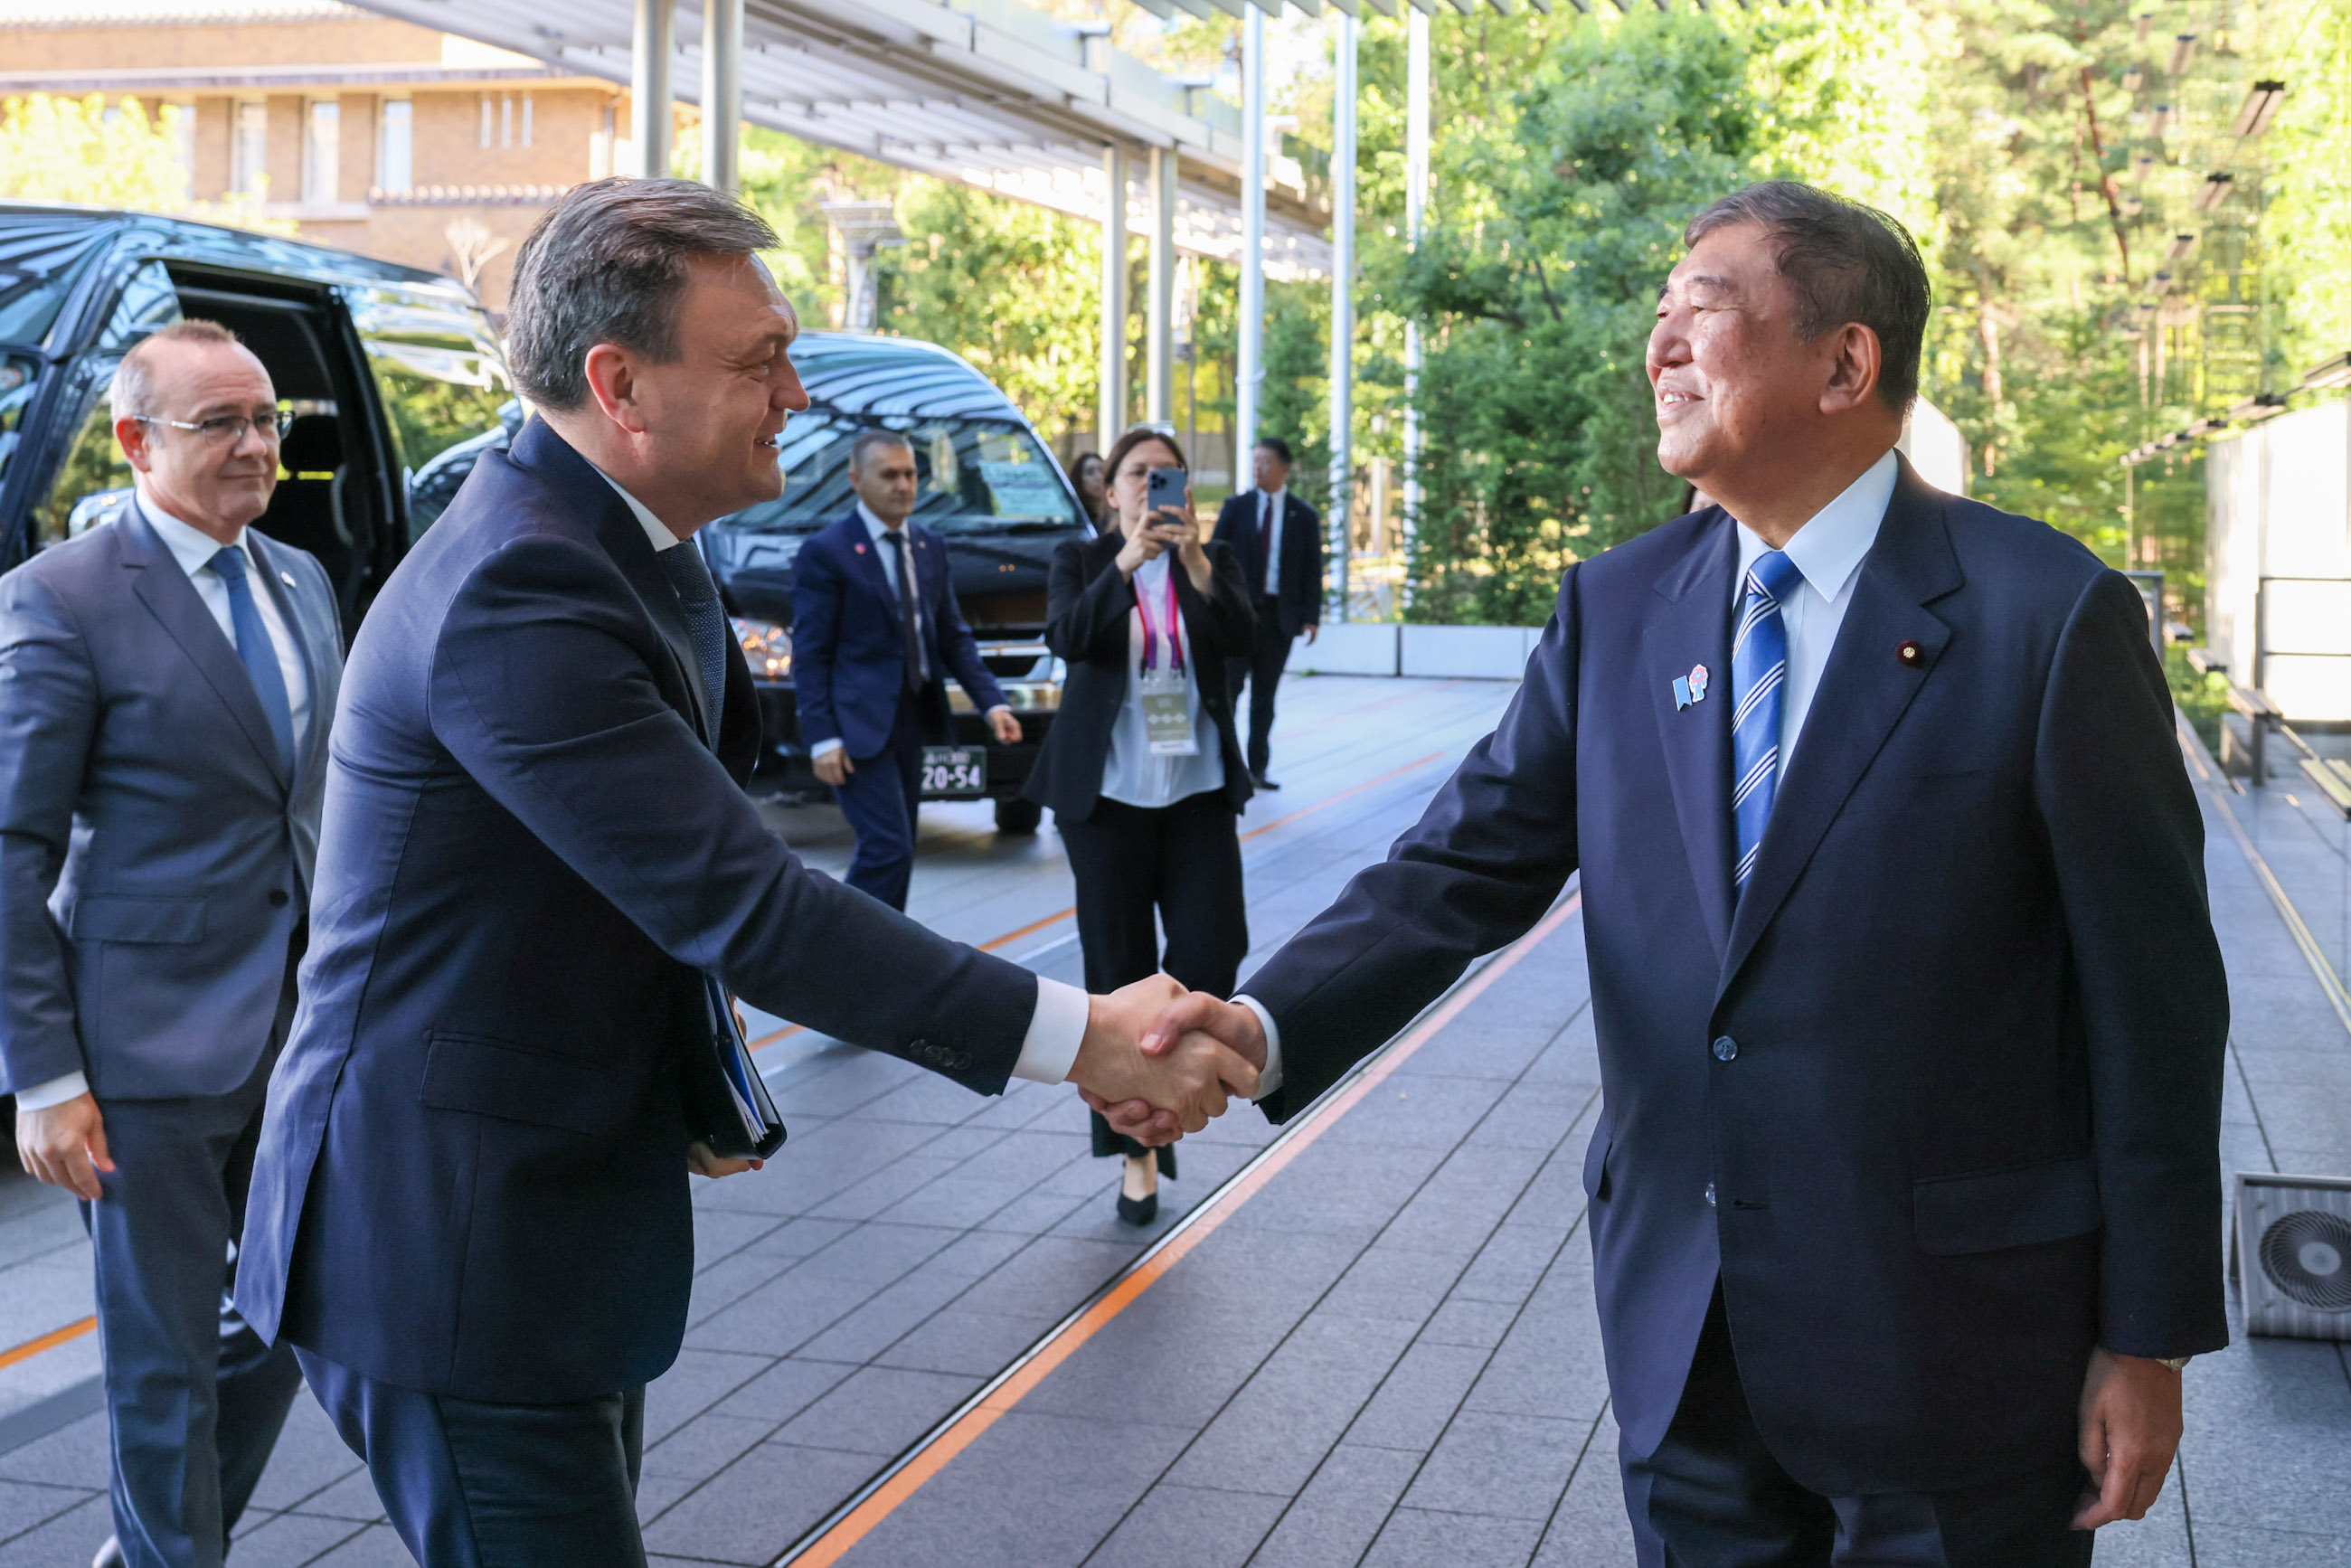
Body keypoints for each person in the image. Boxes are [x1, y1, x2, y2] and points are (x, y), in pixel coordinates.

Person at [1117, 182, 2228, 1567]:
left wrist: (2148, 1332)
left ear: (1846, 362)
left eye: (1704, 306)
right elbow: (1459, 865)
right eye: (1659, 313)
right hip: (1691, 1335)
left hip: (1964, 1350)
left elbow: (2155, 1002)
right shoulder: (1619, 606)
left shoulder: (2047, 614)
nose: (1660, 346)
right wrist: (1262, 1023)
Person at [230, 178, 1255, 1568]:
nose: (797, 395)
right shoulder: (520, 588)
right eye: (759, 361)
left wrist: (689, 1077)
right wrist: (1085, 1038)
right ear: (620, 386)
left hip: (540, 1220)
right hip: (449, 1243)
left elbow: (642, 873)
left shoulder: (631, 547)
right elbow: (744, 901)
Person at [0, 320, 344, 1568]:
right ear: (137, 441)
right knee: (160, 1363)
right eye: (223, 424)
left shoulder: (301, 580)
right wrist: (44, 1077)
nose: (257, 445)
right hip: (140, 1057)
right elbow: (10, 848)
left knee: (306, 1310)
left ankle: (158, 1546)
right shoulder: (62, 597)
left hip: (300, 1034)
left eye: (267, 420)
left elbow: (316, 806)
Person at [1024, 427, 1254, 1224]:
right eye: (1137, 474)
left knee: (1214, 950)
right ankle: (1137, 1153)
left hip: (1196, 794)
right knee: (1117, 974)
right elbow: (1068, 638)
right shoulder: (1080, 558)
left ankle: (1164, 1084)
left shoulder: (1211, 561)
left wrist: (1194, 563)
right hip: (1107, 801)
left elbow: (1246, 640)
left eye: (1168, 475)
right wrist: (1125, 562)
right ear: (1111, 487)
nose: (1152, 486)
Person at [793, 429, 1022, 909]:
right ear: (856, 480)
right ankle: (838, 941)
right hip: (858, 725)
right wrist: (823, 737)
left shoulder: (927, 545)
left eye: (911, 474)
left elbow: (952, 635)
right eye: (889, 475)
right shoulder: (828, 552)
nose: (903, 485)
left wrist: (992, 703)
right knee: (887, 847)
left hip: (914, 718)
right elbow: (812, 653)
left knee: (899, 848)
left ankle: (880, 948)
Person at [1213, 436, 1322, 790]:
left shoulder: (1303, 515)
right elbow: (1213, 558)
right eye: (1255, 461)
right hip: (1238, 615)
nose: (1258, 468)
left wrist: (1311, 616)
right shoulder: (1237, 508)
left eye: (1266, 462)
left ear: (1284, 468)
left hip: (1279, 618)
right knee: (1229, 690)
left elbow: (1312, 569)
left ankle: (1257, 769)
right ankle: (1225, 767)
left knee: (1265, 697)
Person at [1071, 449, 1110, 528]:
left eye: (1102, 471)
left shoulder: (1117, 514)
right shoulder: (1075, 519)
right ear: (1079, 479)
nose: (1099, 477)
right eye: (1090, 472)